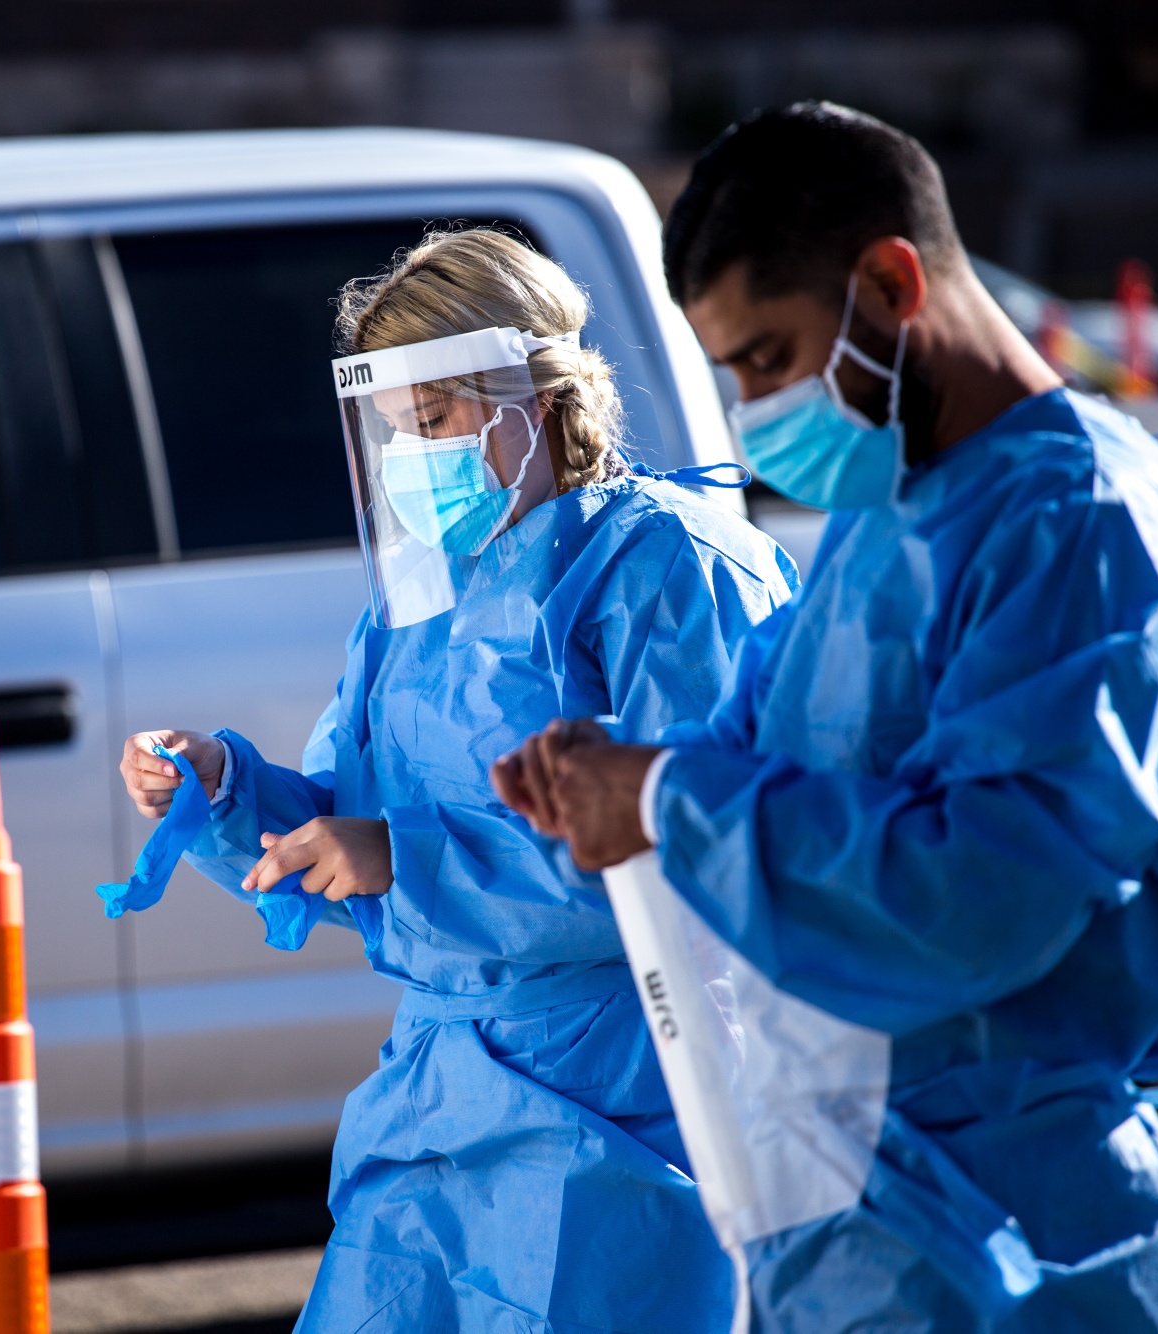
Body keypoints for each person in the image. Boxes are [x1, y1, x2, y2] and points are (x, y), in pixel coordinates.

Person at [496, 102, 1158, 1333]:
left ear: (888, 279)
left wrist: (658, 799)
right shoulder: (892, 511)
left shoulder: (1087, 527)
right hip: (864, 1214)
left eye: (767, 357)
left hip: (1035, 1242)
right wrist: (606, 774)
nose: (754, 411)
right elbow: (765, 748)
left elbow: (977, 890)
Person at [115, 229, 798, 1332]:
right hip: (433, 1097)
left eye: (431, 421)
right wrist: (227, 791)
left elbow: (702, 841)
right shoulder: (421, 599)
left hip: (619, 1098)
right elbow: (352, 830)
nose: (408, 458)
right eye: (391, 432)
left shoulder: (673, 568)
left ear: (531, 394)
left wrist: (409, 854)